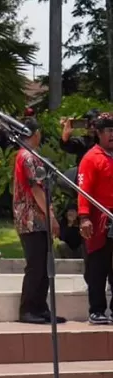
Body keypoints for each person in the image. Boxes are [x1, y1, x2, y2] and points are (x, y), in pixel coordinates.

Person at [12, 118, 65, 325]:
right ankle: (28, 309)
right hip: (31, 220)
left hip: (36, 218)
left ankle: (40, 307)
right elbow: (36, 189)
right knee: (36, 266)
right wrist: (51, 216)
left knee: (44, 265)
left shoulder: (28, 155)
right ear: (35, 134)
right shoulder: (28, 157)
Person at [78, 112, 113, 325]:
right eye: (109, 131)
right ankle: (97, 310)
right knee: (97, 267)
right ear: (99, 134)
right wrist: (84, 218)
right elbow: (83, 191)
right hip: (98, 220)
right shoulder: (91, 158)